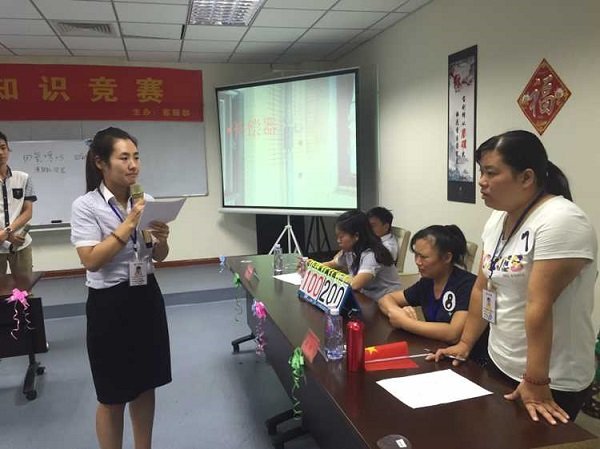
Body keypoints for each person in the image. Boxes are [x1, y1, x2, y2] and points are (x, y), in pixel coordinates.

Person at [431, 130, 597, 425]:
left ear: (526, 177)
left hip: (550, 377)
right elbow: (482, 286)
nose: (481, 181)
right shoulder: (499, 216)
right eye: (481, 172)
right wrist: (466, 342)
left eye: (491, 173)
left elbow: (539, 304)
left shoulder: (561, 221)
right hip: (501, 360)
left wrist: (535, 379)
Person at [71, 127, 172, 449]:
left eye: (136, 157)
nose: (133, 165)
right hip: (109, 304)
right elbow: (91, 260)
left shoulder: (146, 200)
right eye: (124, 158)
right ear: (101, 162)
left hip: (146, 296)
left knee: (145, 384)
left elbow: (159, 255)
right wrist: (130, 222)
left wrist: (162, 240)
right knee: (112, 394)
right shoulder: (86, 205)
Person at [378, 225, 488, 360]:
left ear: (447, 257)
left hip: (468, 360)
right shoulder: (428, 281)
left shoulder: (467, 284)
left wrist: (404, 322)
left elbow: (453, 334)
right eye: (416, 255)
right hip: (436, 351)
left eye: (424, 257)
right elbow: (386, 299)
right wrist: (397, 312)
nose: (418, 262)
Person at [324, 209, 402, 300]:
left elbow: (355, 284)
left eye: (341, 237)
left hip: (387, 300)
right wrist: (312, 266)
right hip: (367, 297)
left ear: (356, 236)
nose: (338, 241)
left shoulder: (372, 254)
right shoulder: (350, 250)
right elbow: (332, 263)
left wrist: (335, 276)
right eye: (337, 237)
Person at [0, 131, 37, 275]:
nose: (1, 152)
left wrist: (8, 232)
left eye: (3, 147)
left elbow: (28, 211)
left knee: (24, 286)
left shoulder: (23, 178)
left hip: (20, 244)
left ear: (8, 149)